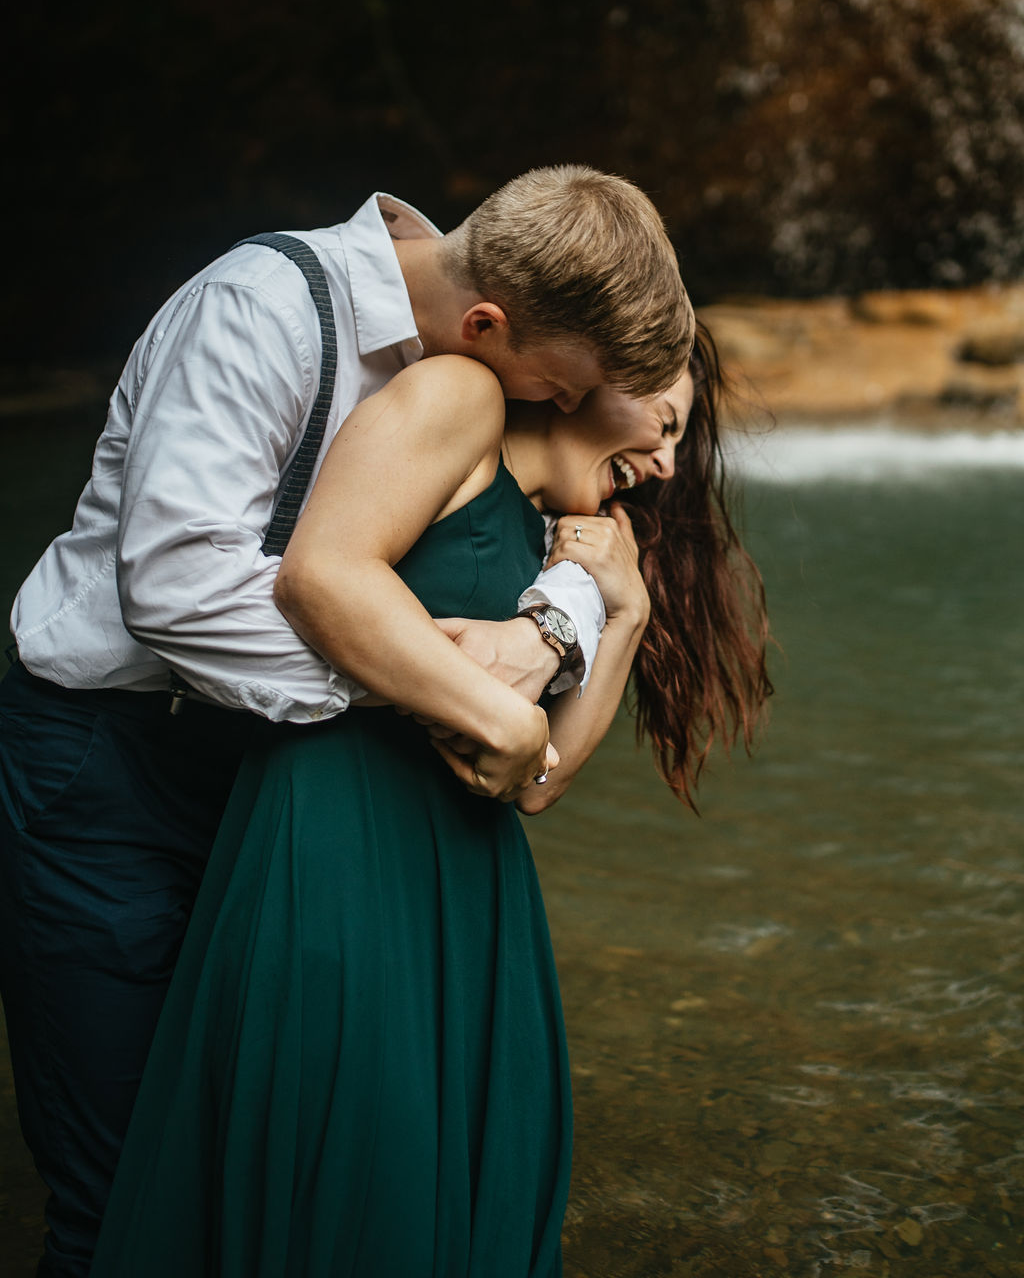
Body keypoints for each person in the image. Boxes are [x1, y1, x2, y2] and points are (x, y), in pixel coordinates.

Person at [0, 166, 693, 1278]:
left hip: (273, 778)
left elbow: (520, 513)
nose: (553, 411)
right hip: (108, 765)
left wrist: (555, 630)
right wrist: (454, 684)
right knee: (123, 1184)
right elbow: (179, 590)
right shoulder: (261, 308)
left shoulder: (481, 347)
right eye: (558, 389)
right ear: (485, 326)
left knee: (246, 1169)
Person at [88, 327, 771, 1278]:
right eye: (665, 425)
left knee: (465, 1187)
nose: (663, 466)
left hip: (472, 883)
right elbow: (320, 579)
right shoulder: (459, 403)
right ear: (594, 377)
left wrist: (625, 615)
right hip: (335, 841)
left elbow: (541, 780)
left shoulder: (566, 538)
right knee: (351, 1168)